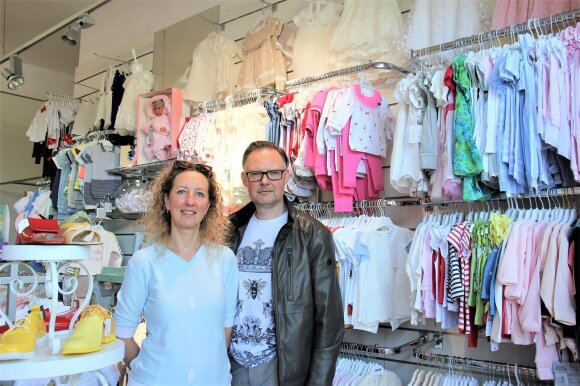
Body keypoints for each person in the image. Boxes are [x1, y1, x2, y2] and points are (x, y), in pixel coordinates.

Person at [228, 141, 344, 386]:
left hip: (281, 369)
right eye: (255, 173)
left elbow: (329, 322)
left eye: (274, 173)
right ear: (244, 178)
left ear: (286, 176)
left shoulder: (313, 235)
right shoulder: (228, 232)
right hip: (230, 365)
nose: (264, 181)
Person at [114, 160, 239, 385]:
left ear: (209, 205)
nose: (190, 201)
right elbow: (122, 334)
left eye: (200, 194)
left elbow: (224, 331)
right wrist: (148, 368)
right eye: (181, 192)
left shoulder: (225, 260)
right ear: (166, 202)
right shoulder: (144, 262)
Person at [142, 95, 172, 161]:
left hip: (161, 136)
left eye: (159, 108)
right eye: (154, 109)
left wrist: (166, 128)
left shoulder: (166, 117)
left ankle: (164, 161)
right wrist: (149, 130)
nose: (156, 110)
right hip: (152, 136)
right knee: (146, 149)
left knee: (156, 149)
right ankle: (153, 159)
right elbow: (148, 127)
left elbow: (171, 125)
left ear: (163, 108)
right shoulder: (155, 119)